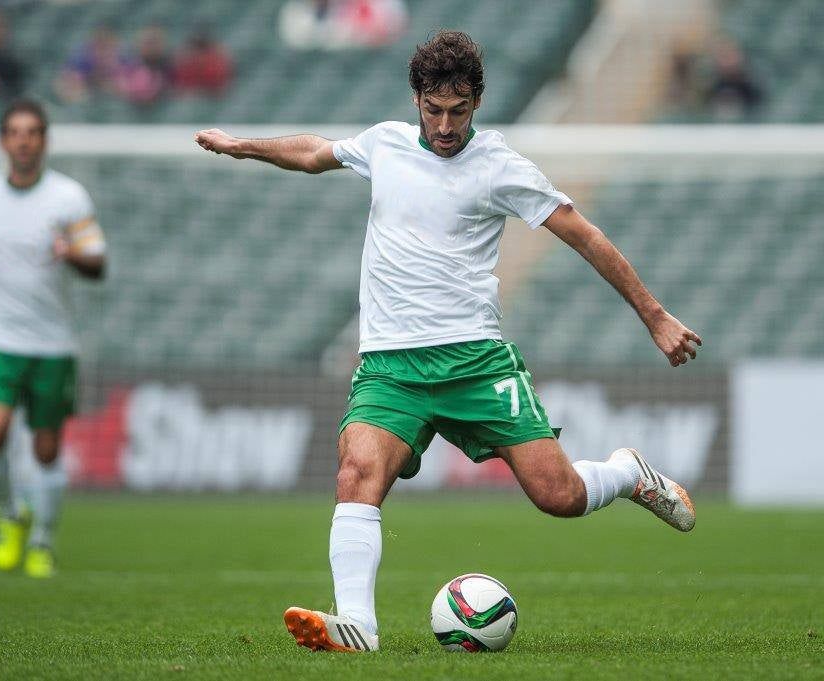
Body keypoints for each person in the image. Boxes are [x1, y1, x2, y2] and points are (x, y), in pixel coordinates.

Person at [195, 30, 702, 652]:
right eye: (433, 110)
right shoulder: (383, 144)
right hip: (390, 366)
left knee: (559, 496)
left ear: (477, 103)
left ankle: (626, 473)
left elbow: (584, 235)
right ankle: (357, 625)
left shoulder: (500, 166)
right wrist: (242, 146)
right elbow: (312, 152)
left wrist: (654, 316)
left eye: (457, 111)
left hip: (473, 361)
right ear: (416, 99)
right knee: (358, 471)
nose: (443, 126)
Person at [0, 99, 107, 578]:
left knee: (46, 450)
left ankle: (43, 540)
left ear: (44, 141)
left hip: (52, 343)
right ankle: (12, 515)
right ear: (3, 141)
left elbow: (97, 262)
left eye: (32, 132)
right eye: (15, 132)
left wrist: (71, 253)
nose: (24, 141)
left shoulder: (69, 197)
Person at [172, 24, 233, 96]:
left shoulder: (216, 62)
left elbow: (220, 84)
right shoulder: (186, 64)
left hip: (212, 95)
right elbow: (182, 85)